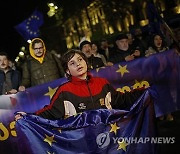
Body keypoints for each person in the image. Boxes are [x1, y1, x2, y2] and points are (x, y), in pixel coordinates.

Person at [15, 49, 146, 120]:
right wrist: (27, 116)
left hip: (110, 138)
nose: (78, 64)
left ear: (86, 62)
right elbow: (49, 112)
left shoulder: (102, 83)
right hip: (84, 143)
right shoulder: (64, 91)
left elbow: (121, 100)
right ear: (67, 70)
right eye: (72, 63)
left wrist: (143, 91)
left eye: (80, 60)